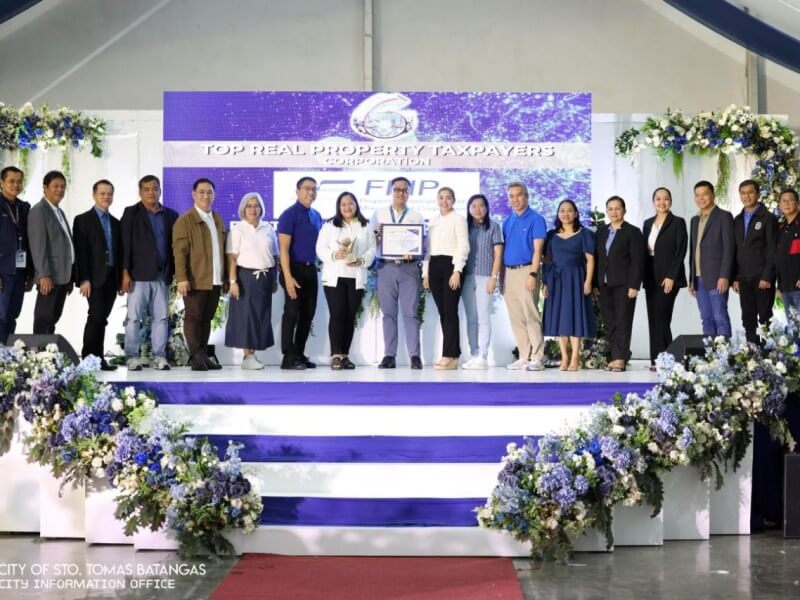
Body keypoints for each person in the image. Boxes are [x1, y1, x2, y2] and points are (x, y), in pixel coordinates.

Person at [120, 175, 178, 371]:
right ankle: (131, 357)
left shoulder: (171, 215)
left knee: (161, 318)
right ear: (140, 192)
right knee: (134, 318)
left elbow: (175, 247)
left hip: (162, 276)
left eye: (155, 188)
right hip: (138, 275)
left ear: (160, 191)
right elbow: (124, 245)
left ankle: (159, 357)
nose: (151, 192)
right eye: (147, 189)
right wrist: (125, 273)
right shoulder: (131, 213)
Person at [316, 191, 376, 370]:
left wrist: (362, 260)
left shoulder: (365, 226)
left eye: (350, 203)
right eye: (343, 204)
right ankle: (335, 355)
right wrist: (334, 254)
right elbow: (320, 248)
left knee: (350, 316)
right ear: (338, 207)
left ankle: (345, 355)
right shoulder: (329, 226)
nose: (347, 207)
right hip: (334, 278)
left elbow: (372, 248)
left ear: (356, 205)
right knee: (337, 315)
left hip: (356, 277)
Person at [370, 176, 425, 369]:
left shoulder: (416, 216)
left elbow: (421, 245)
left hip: (409, 269)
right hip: (385, 267)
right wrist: (375, 235)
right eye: (397, 189)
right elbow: (370, 243)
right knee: (388, 314)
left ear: (409, 193)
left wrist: (415, 253)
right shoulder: (379, 214)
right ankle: (389, 356)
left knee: (410, 313)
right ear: (391, 191)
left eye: (404, 190)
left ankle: (415, 356)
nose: (400, 193)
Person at [173, 178, 226, 371]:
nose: (206, 196)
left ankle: (203, 354)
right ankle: (195, 356)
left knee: (206, 318)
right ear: (193, 194)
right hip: (195, 279)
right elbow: (179, 253)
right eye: (202, 192)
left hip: (215, 279)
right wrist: (182, 278)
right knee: (194, 317)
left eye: (209, 192)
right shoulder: (185, 221)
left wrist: (226, 277)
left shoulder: (217, 218)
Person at [225, 192, 279, 370]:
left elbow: (275, 255)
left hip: (265, 277)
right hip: (244, 277)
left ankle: (253, 355)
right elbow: (232, 258)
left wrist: (275, 279)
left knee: (260, 317)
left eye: (256, 205)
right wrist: (233, 281)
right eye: (249, 206)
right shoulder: (238, 229)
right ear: (243, 209)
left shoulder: (268, 228)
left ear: (261, 208)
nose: (253, 209)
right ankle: (247, 356)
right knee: (245, 317)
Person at [542, 199, 596, 371]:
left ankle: (575, 358)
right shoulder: (551, 235)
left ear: (576, 213)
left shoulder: (584, 234)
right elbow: (547, 261)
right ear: (558, 214)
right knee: (560, 319)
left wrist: (588, 281)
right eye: (562, 210)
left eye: (569, 210)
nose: (566, 214)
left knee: (575, 317)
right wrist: (545, 282)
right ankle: (564, 358)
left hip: (576, 278)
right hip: (556, 280)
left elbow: (590, 260)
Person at [277, 176, 322, 370]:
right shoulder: (289, 215)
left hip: (310, 269)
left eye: (314, 189)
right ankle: (288, 357)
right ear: (297, 191)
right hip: (292, 269)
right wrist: (288, 277)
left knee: (307, 314)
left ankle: (299, 354)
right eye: (306, 188)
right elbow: (283, 250)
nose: (310, 192)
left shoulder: (317, 216)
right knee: (291, 313)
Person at [595, 196, 644, 372]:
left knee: (623, 320)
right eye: (610, 209)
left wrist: (634, 285)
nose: (614, 212)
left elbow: (638, 261)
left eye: (617, 208)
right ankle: (615, 355)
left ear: (624, 210)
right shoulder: (601, 232)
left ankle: (620, 358)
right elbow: (598, 259)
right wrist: (595, 284)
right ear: (606, 211)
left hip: (624, 285)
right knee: (611, 322)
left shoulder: (633, 232)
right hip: (604, 285)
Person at [502, 181, 547, 371]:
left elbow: (538, 250)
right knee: (516, 317)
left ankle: (538, 356)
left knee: (530, 314)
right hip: (509, 272)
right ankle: (523, 356)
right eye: (511, 196)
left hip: (527, 270)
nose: (515, 199)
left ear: (526, 196)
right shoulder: (507, 221)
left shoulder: (536, 219)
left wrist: (533, 274)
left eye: (519, 195)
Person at [423, 187, 469, 370]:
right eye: (441, 198)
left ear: (454, 200)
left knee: (450, 312)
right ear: (437, 200)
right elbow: (428, 249)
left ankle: (449, 355)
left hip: (451, 266)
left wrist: (457, 270)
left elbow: (463, 246)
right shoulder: (433, 222)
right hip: (434, 267)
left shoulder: (459, 219)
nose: (444, 201)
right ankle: (453, 355)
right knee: (444, 313)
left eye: (448, 198)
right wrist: (425, 273)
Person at [642, 187, 687, 370]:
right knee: (653, 318)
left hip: (669, 277)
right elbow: (644, 252)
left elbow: (680, 251)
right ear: (653, 202)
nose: (662, 202)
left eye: (666, 199)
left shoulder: (677, 222)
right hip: (651, 277)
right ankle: (656, 360)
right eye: (658, 199)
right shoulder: (647, 223)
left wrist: (671, 276)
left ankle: (667, 359)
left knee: (662, 318)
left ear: (670, 201)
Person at [28, 170, 74, 335]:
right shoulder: (39, 211)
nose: (59, 190)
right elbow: (38, 246)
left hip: (62, 276)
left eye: (62, 186)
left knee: (52, 319)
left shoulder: (58, 211)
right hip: (49, 277)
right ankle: (39, 357)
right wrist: (43, 275)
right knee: (43, 319)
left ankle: (48, 355)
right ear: (45, 188)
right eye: (55, 186)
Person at [461, 193, 503, 370]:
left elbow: (498, 254)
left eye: (481, 205)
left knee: (483, 317)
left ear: (487, 208)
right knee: (471, 318)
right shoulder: (464, 227)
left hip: (486, 276)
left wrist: (494, 277)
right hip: (467, 277)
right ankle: (474, 354)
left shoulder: (493, 227)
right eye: (474, 206)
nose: (478, 209)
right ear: (469, 209)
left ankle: (484, 356)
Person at [733, 179, 778, 344]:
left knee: (764, 317)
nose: (747, 196)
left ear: (758, 194)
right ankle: (752, 353)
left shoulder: (768, 218)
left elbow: (773, 250)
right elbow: (736, 251)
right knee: (748, 317)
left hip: (762, 278)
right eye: (743, 193)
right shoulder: (737, 220)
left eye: (750, 192)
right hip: (744, 278)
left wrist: (767, 276)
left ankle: (766, 354)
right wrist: (735, 277)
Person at [689, 180, 735, 338]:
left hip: (717, 278)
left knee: (720, 317)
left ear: (713, 195)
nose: (701, 198)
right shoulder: (694, 220)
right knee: (706, 319)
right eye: (697, 195)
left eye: (705, 194)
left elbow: (729, 249)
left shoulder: (724, 216)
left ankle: (724, 359)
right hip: (698, 279)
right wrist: (691, 279)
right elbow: (693, 250)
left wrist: (724, 276)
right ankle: (710, 358)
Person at [0, 167, 33, 343]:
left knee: (12, 315)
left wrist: (30, 273)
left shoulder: (24, 207)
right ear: (2, 183)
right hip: (3, 271)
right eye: (11, 181)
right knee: (1, 315)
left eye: (19, 181)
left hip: (20, 270)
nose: (15, 185)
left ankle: (6, 356)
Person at [775, 188, 800, 312]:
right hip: (785, 288)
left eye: (790, 200)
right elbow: (779, 259)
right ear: (779, 205)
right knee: (792, 329)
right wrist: (779, 286)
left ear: (798, 204)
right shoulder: (780, 229)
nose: (787, 203)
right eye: (783, 201)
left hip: (798, 287)